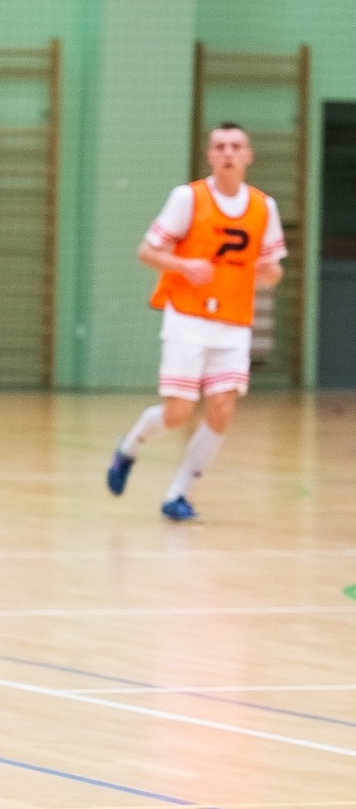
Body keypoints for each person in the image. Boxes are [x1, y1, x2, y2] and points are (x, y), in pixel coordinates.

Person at [106, 122, 286, 520]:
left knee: (222, 407)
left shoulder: (263, 207)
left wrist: (268, 271)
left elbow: (273, 272)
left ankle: (178, 494)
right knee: (179, 413)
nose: (228, 153)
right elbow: (146, 252)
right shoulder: (187, 198)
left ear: (248, 156)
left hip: (234, 322)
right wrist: (184, 265)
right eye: (220, 146)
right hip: (188, 317)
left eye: (235, 146)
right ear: (210, 155)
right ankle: (129, 448)